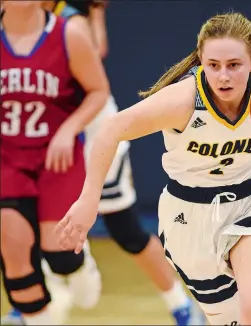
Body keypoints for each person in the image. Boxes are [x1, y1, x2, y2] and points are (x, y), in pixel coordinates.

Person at [55, 12, 251, 325]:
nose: (223, 76)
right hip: (190, 218)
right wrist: (89, 201)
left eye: (234, 65)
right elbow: (111, 128)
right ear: (201, 61)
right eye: (213, 65)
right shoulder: (184, 100)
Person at [2, 1, 205, 325]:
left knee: (124, 229)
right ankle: (29, 299)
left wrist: (94, 13)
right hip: (36, 140)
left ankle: (180, 304)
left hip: (92, 132)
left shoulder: (68, 20)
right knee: (20, 219)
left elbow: (96, 57)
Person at [0, 1, 109, 324]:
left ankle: (78, 263)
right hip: (8, 159)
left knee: (60, 254)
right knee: (14, 251)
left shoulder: (69, 33)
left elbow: (99, 91)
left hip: (56, 158)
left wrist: (68, 129)